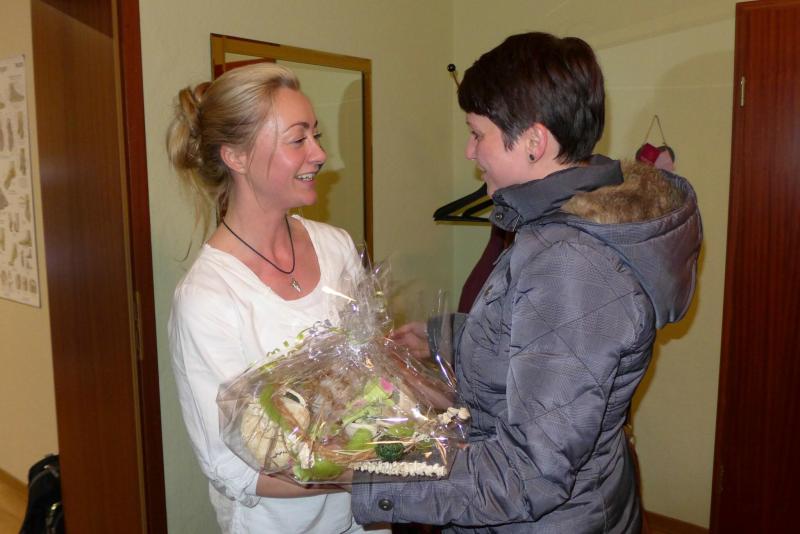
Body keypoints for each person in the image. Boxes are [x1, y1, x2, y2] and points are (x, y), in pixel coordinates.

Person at [351, 32, 702, 533]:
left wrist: (366, 475)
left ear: (535, 142)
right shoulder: (565, 226)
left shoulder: (571, 262)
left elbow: (526, 475)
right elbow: (538, 339)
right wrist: (443, 335)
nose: (469, 151)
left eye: (478, 134)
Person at [166, 63, 389, 534]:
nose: (320, 154)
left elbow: (371, 380)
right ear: (236, 156)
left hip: (363, 523)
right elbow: (231, 469)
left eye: (316, 135)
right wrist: (371, 474)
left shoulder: (336, 247)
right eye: (297, 139)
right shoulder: (208, 298)